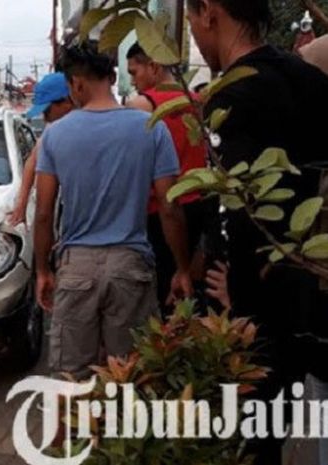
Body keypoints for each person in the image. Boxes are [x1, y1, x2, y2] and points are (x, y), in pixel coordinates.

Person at [186, 0, 328, 463]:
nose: (194, 31)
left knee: (243, 442)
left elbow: (237, 211)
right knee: (274, 432)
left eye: (190, 19)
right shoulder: (309, 78)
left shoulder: (231, 95)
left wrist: (240, 295)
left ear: (209, 11)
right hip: (306, 295)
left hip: (252, 316)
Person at [34, 41, 193, 381]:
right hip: (131, 265)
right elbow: (169, 207)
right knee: (134, 376)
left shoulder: (54, 136)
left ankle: (78, 435)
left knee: (70, 380)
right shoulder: (151, 127)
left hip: (76, 266)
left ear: (76, 84)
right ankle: (124, 433)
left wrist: (42, 271)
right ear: (111, 75)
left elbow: (45, 213)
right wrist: (181, 268)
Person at [126, 42, 208, 309]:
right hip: (198, 206)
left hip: (160, 211)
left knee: (159, 295)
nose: (133, 81)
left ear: (153, 66)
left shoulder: (142, 105)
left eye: (134, 72)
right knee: (190, 296)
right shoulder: (198, 102)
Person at [10, 73, 74, 226]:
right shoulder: (53, 131)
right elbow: (32, 160)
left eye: (47, 111)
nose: (45, 119)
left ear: (66, 102)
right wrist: (21, 204)